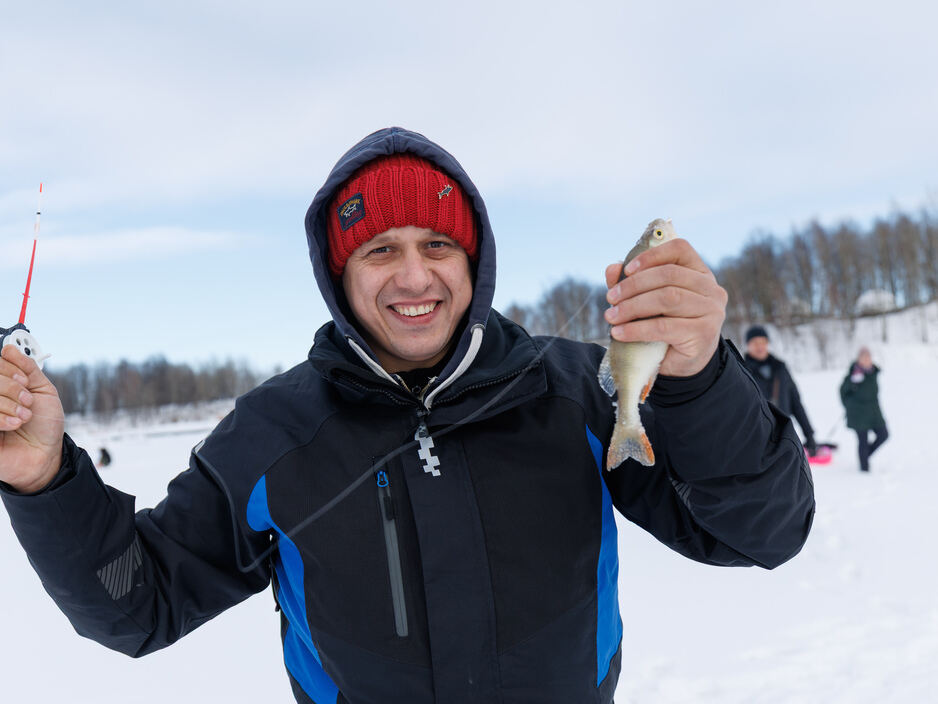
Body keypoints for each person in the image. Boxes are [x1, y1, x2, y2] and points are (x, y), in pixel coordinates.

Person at [0, 127, 815, 704]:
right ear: (339, 273)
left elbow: (760, 532)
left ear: (475, 261)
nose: (413, 275)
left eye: (437, 244)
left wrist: (701, 380)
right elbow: (137, 604)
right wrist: (44, 478)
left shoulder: (579, 393)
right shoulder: (272, 434)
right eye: (379, 249)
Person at [742, 324, 818, 455]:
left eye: (763, 342)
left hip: (783, 435)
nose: (759, 346)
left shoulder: (780, 368)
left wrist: (809, 435)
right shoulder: (741, 370)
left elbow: (796, 403)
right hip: (755, 439)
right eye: (755, 343)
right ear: (748, 345)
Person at [840, 346, 888, 472]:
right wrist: (849, 405)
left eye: (868, 357)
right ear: (859, 359)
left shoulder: (873, 373)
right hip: (858, 413)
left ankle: (865, 457)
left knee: (883, 434)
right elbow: (843, 392)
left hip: (873, 411)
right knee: (863, 440)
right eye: (864, 357)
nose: (866, 360)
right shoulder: (854, 373)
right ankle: (864, 470)